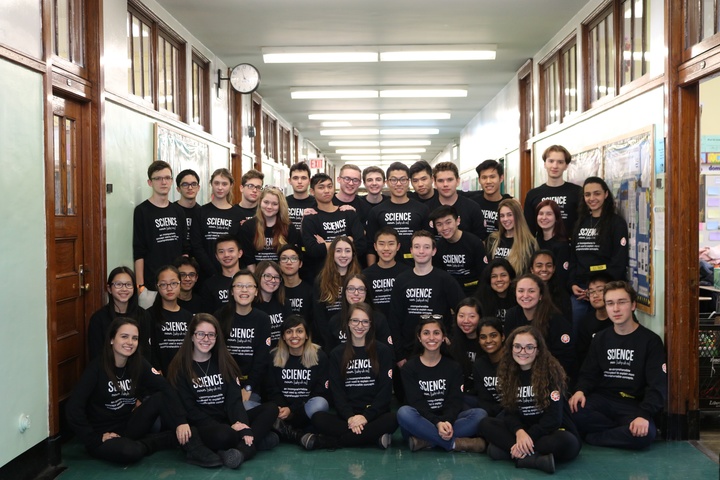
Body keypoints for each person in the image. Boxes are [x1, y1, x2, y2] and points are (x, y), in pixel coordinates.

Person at [67, 317, 222, 467]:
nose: (130, 342)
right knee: (131, 452)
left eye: (134, 338)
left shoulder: (138, 363)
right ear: (112, 339)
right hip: (104, 435)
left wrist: (181, 421)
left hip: (128, 425)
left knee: (161, 397)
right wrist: (94, 438)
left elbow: (165, 388)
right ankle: (164, 440)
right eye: (124, 337)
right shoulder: (96, 368)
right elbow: (73, 408)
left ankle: (193, 447)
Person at [168, 313, 279, 468]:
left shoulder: (225, 362)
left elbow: (234, 401)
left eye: (211, 335)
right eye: (201, 334)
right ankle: (253, 443)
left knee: (271, 409)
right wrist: (232, 429)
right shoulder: (180, 368)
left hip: (228, 419)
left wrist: (242, 425)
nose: (206, 339)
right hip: (203, 426)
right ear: (192, 336)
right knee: (224, 435)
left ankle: (240, 451)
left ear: (217, 337)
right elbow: (190, 410)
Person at [569, 281, 667, 450]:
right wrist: (580, 391)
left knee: (646, 434)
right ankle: (619, 432)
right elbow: (588, 373)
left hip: (632, 404)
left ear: (633, 305)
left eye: (622, 302)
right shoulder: (599, 338)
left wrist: (644, 415)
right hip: (603, 400)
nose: (615, 309)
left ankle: (594, 437)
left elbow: (657, 385)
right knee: (571, 411)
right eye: (610, 303)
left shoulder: (650, 341)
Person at [479, 326, 581, 474]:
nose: (522, 352)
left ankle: (511, 452)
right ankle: (534, 459)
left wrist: (529, 437)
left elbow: (554, 419)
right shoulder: (508, 373)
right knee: (485, 424)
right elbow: (509, 413)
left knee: (568, 442)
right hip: (524, 431)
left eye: (529, 347)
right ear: (511, 348)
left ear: (538, 350)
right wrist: (520, 432)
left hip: (549, 432)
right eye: (518, 347)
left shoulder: (551, 373)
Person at [303, 303, 397, 450]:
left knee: (393, 419)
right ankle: (372, 438)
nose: (360, 326)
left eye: (365, 321)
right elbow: (337, 393)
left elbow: (385, 392)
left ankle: (330, 442)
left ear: (371, 324)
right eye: (355, 321)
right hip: (347, 417)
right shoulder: (336, 354)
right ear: (348, 322)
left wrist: (365, 417)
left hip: (374, 415)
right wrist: (350, 417)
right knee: (318, 418)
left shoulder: (382, 351)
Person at [398, 316, 487, 453]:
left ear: (443, 337)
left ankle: (427, 441)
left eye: (436, 333)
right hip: (421, 421)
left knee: (480, 414)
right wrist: (437, 423)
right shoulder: (409, 368)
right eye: (426, 333)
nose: (431, 337)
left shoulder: (453, 366)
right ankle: (453, 444)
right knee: (404, 413)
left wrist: (447, 421)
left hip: (448, 421)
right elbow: (417, 403)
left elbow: (455, 400)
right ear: (419, 337)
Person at [389, 230, 465, 368]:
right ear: (411, 250)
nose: (421, 251)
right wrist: (399, 355)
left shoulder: (445, 279)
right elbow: (394, 320)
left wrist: (451, 339)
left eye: (426, 247)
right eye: (417, 247)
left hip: (440, 349)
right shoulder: (401, 280)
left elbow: (463, 310)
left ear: (434, 251)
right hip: (408, 351)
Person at [569, 176, 629, 331]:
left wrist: (598, 289)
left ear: (606, 194)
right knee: (578, 330)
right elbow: (573, 258)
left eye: (597, 194)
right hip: (581, 291)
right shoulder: (580, 222)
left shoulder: (616, 223)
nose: (592, 198)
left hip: (606, 289)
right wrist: (573, 284)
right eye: (587, 194)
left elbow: (619, 261)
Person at [267, 315, 330, 444]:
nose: (294, 336)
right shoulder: (273, 356)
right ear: (283, 336)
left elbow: (320, 391)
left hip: (304, 411)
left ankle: (284, 431)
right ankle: (294, 434)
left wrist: (293, 410)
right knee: (249, 407)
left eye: (299, 331)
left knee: (321, 403)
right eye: (289, 332)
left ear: (306, 335)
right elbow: (272, 389)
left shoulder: (320, 356)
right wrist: (283, 408)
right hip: (281, 411)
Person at [133, 161, 188, 304]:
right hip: (151, 285)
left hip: (176, 283)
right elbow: (139, 250)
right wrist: (140, 286)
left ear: (171, 181)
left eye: (167, 178)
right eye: (158, 178)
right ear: (150, 182)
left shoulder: (178, 211)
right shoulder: (142, 211)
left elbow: (184, 248)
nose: (163, 182)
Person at [217, 270, 271, 410]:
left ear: (256, 292)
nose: (244, 290)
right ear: (231, 291)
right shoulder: (220, 316)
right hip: (224, 382)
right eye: (239, 286)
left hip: (251, 384)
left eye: (249, 286)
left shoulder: (263, 319)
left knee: (245, 408)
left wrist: (248, 387)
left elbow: (261, 358)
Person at [503, 273, 575, 376]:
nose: (525, 295)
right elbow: (508, 350)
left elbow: (566, 357)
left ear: (541, 295)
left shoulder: (556, 319)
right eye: (520, 291)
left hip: (549, 375)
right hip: (520, 373)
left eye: (531, 291)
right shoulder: (511, 315)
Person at [301, 173, 366, 277]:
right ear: (312, 192)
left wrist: (326, 245)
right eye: (321, 187)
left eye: (330, 186)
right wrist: (348, 240)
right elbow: (312, 250)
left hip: (351, 275)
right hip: (323, 276)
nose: (327, 191)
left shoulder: (348, 213)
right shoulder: (310, 218)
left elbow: (361, 246)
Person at [365, 162, 430, 266]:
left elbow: (428, 242)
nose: (399, 184)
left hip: (415, 267)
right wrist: (372, 272)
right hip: (385, 269)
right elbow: (370, 245)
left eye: (403, 179)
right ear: (387, 182)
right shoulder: (376, 211)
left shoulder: (422, 209)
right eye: (394, 180)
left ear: (408, 182)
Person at [87, 266, 151, 360]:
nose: (124, 289)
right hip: (107, 369)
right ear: (109, 289)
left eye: (128, 284)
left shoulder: (143, 315)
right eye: (118, 284)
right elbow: (96, 354)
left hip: (137, 369)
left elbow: (146, 351)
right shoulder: (98, 319)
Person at [191, 168, 244, 278]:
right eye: (216, 183)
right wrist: (212, 271)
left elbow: (240, 246)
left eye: (224, 184)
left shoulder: (238, 214)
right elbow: (196, 246)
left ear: (231, 186)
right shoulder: (200, 212)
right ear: (211, 184)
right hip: (205, 273)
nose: (220, 187)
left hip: (231, 274)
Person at [312, 236, 361, 348]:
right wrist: (328, 341)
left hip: (356, 336)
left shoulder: (360, 278)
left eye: (347, 251)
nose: (343, 255)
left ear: (353, 254)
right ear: (332, 254)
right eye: (338, 251)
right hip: (329, 341)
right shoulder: (321, 280)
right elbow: (319, 317)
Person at [523, 145, 582, 236]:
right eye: (551, 161)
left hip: (569, 247)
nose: (555, 166)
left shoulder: (577, 192)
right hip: (541, 248)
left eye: (560, 162)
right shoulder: (533, 195)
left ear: (566, 166)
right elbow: (529, 230)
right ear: (545, 164)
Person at [326, 274, 393, 352]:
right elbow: (330, 355)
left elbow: (388, 354)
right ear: (345, 292)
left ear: (366, 292)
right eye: (351, 289)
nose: (356, 293)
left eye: (361, 289)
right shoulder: (335, 321)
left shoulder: (379, 319)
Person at [430, 205, 488, 296]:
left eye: (448, 222)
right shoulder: (438, 247)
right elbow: (439, 277)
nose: (444, 228)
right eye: (439, 224)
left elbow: (484, 274)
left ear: (458, 221)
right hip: (449, 293)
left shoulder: (474, 243)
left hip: (474, 292)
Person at [239, 188, 300, 270]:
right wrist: (256, 280)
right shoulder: (248, 226)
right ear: (260, 202)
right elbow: (249, 259)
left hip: (281, 276)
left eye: (274, 204)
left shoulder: (289, 227)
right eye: (266, 202)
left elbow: (290, 257)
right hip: (256, 275)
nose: (269, 207)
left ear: (280, 206)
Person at [148, 266, 192, 374]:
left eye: (173, 283)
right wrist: (156, 369)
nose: (169, 288)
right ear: (157, 287)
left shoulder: (188, 317)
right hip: (159, 375)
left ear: (180, 284)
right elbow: (148, 348)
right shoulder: (149, 315)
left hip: (185, 375)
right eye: (163, 284)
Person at [426, 162, 486, 239]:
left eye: (450, 180)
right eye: (440, 181)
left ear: (457, 181)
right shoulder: (426, 209)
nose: (445, 184)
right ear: (434, 183)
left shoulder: (472, 208)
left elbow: (480, 240)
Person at [362, 227, 410, 317]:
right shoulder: (365, 275)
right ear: (375, 247)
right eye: (381, 244)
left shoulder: (407, 273)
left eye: (391, 244)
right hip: (375, 325)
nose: (386, 248)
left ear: (398, 246)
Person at [447, 297, 484, 407]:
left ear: (480, 317)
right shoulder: (451, 343)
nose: (466, 321)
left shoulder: (487, 342)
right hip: (461, 395)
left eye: (472, 316)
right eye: (461, 316)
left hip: (483, 396)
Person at [486, 198, 538, 275]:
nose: (505, 219)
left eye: (509, 215)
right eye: (502, 216)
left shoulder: (529, 243)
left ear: (518, 216)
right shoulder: (493, 239)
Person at [466, 159, 513, 241]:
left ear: (501, 178)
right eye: (484, 177)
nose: (488, 181)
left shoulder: (510, 204)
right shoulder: (471, 204)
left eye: (492, 177)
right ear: (479, 180)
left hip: (503, 250)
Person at [575, 273, 614, 367]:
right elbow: (582, 356)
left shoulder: (620, 318)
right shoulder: (585, 322)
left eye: (600, 290)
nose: (595, 295)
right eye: (591, 292)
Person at [200, 234, 243, 314]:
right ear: (216, 256)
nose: (226, 255)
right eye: (221, 252)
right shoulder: (209, 285)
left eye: (231, 250)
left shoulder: (251, 280)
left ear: (240, 253)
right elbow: (207, 317)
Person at [254, 260, 292, 348]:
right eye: (267, 276)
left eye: (277, 277)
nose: (273, 280)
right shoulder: (250, 305)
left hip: (280, 354)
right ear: (258, 277)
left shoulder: (285, 303)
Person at [472, 317, 505, 417]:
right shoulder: (479, 365)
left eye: (493, 335)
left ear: (502, 337)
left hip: (512, 412)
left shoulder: (514, 361)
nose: (488, 340)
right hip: (490, 413)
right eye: (483, 337)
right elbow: (483, 400)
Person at [534, 199, 571, 288]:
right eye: (541, 213)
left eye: (549, 214)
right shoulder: (535, 242)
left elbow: (561, 278)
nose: (544, 217)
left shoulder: (562, 245)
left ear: (557, 218)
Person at [530, 249, 572, 322]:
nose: (544, 269)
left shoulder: (562, 294)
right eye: (539, 266)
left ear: (554, 269)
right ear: (532, 269)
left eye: (549, 265)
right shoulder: (524, 292)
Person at [278, 244, 313, 325]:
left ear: (300, 264)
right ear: (279, 264)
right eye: (284, 258)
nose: (289, 262)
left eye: (293, 258)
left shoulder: (310, 291)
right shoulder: (275, 290)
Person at [474, 258, 518, 325]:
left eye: (503, 275)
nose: (499, 279)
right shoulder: (480, 300)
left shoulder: (519, 297)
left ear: (510, 278)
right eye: (494, 276)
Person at [285, 162, 316, 231]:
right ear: (290, 181)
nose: (299, 181)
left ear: (309, 181)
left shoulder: (317, 203)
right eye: (295, 178)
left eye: (304, 178)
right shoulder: (283, 203)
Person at [175, 169, 202, 245]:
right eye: (185, 184)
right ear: (178, 189)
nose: (190, 188)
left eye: (194, 184)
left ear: (198, 187)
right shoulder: (171, 211)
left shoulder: (202, 212)